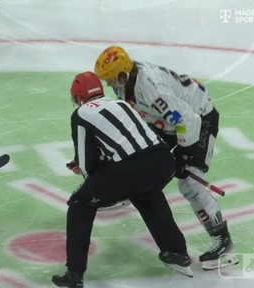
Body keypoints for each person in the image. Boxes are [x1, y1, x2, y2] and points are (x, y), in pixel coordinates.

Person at [94, 45, 239, 270]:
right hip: (170, 121)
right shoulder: (128, 81)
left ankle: (224, 242)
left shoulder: (151, 88)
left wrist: (183, 154)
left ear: (123, 74)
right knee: (133, 149)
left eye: (112, 79)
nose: (110, 84)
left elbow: (188, 121)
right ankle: (122, 191)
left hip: (199, 118)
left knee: (189, 182)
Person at [52, 71, 192, 288]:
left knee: (80, 203)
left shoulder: (80, 114)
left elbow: (89, 165)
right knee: (145, 192)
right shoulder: (122, 104)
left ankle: (74, 274)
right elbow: (134, 141)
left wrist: (86, 174)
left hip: (132, 168)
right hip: (163, 160)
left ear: (78, 96)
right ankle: (176, 251)